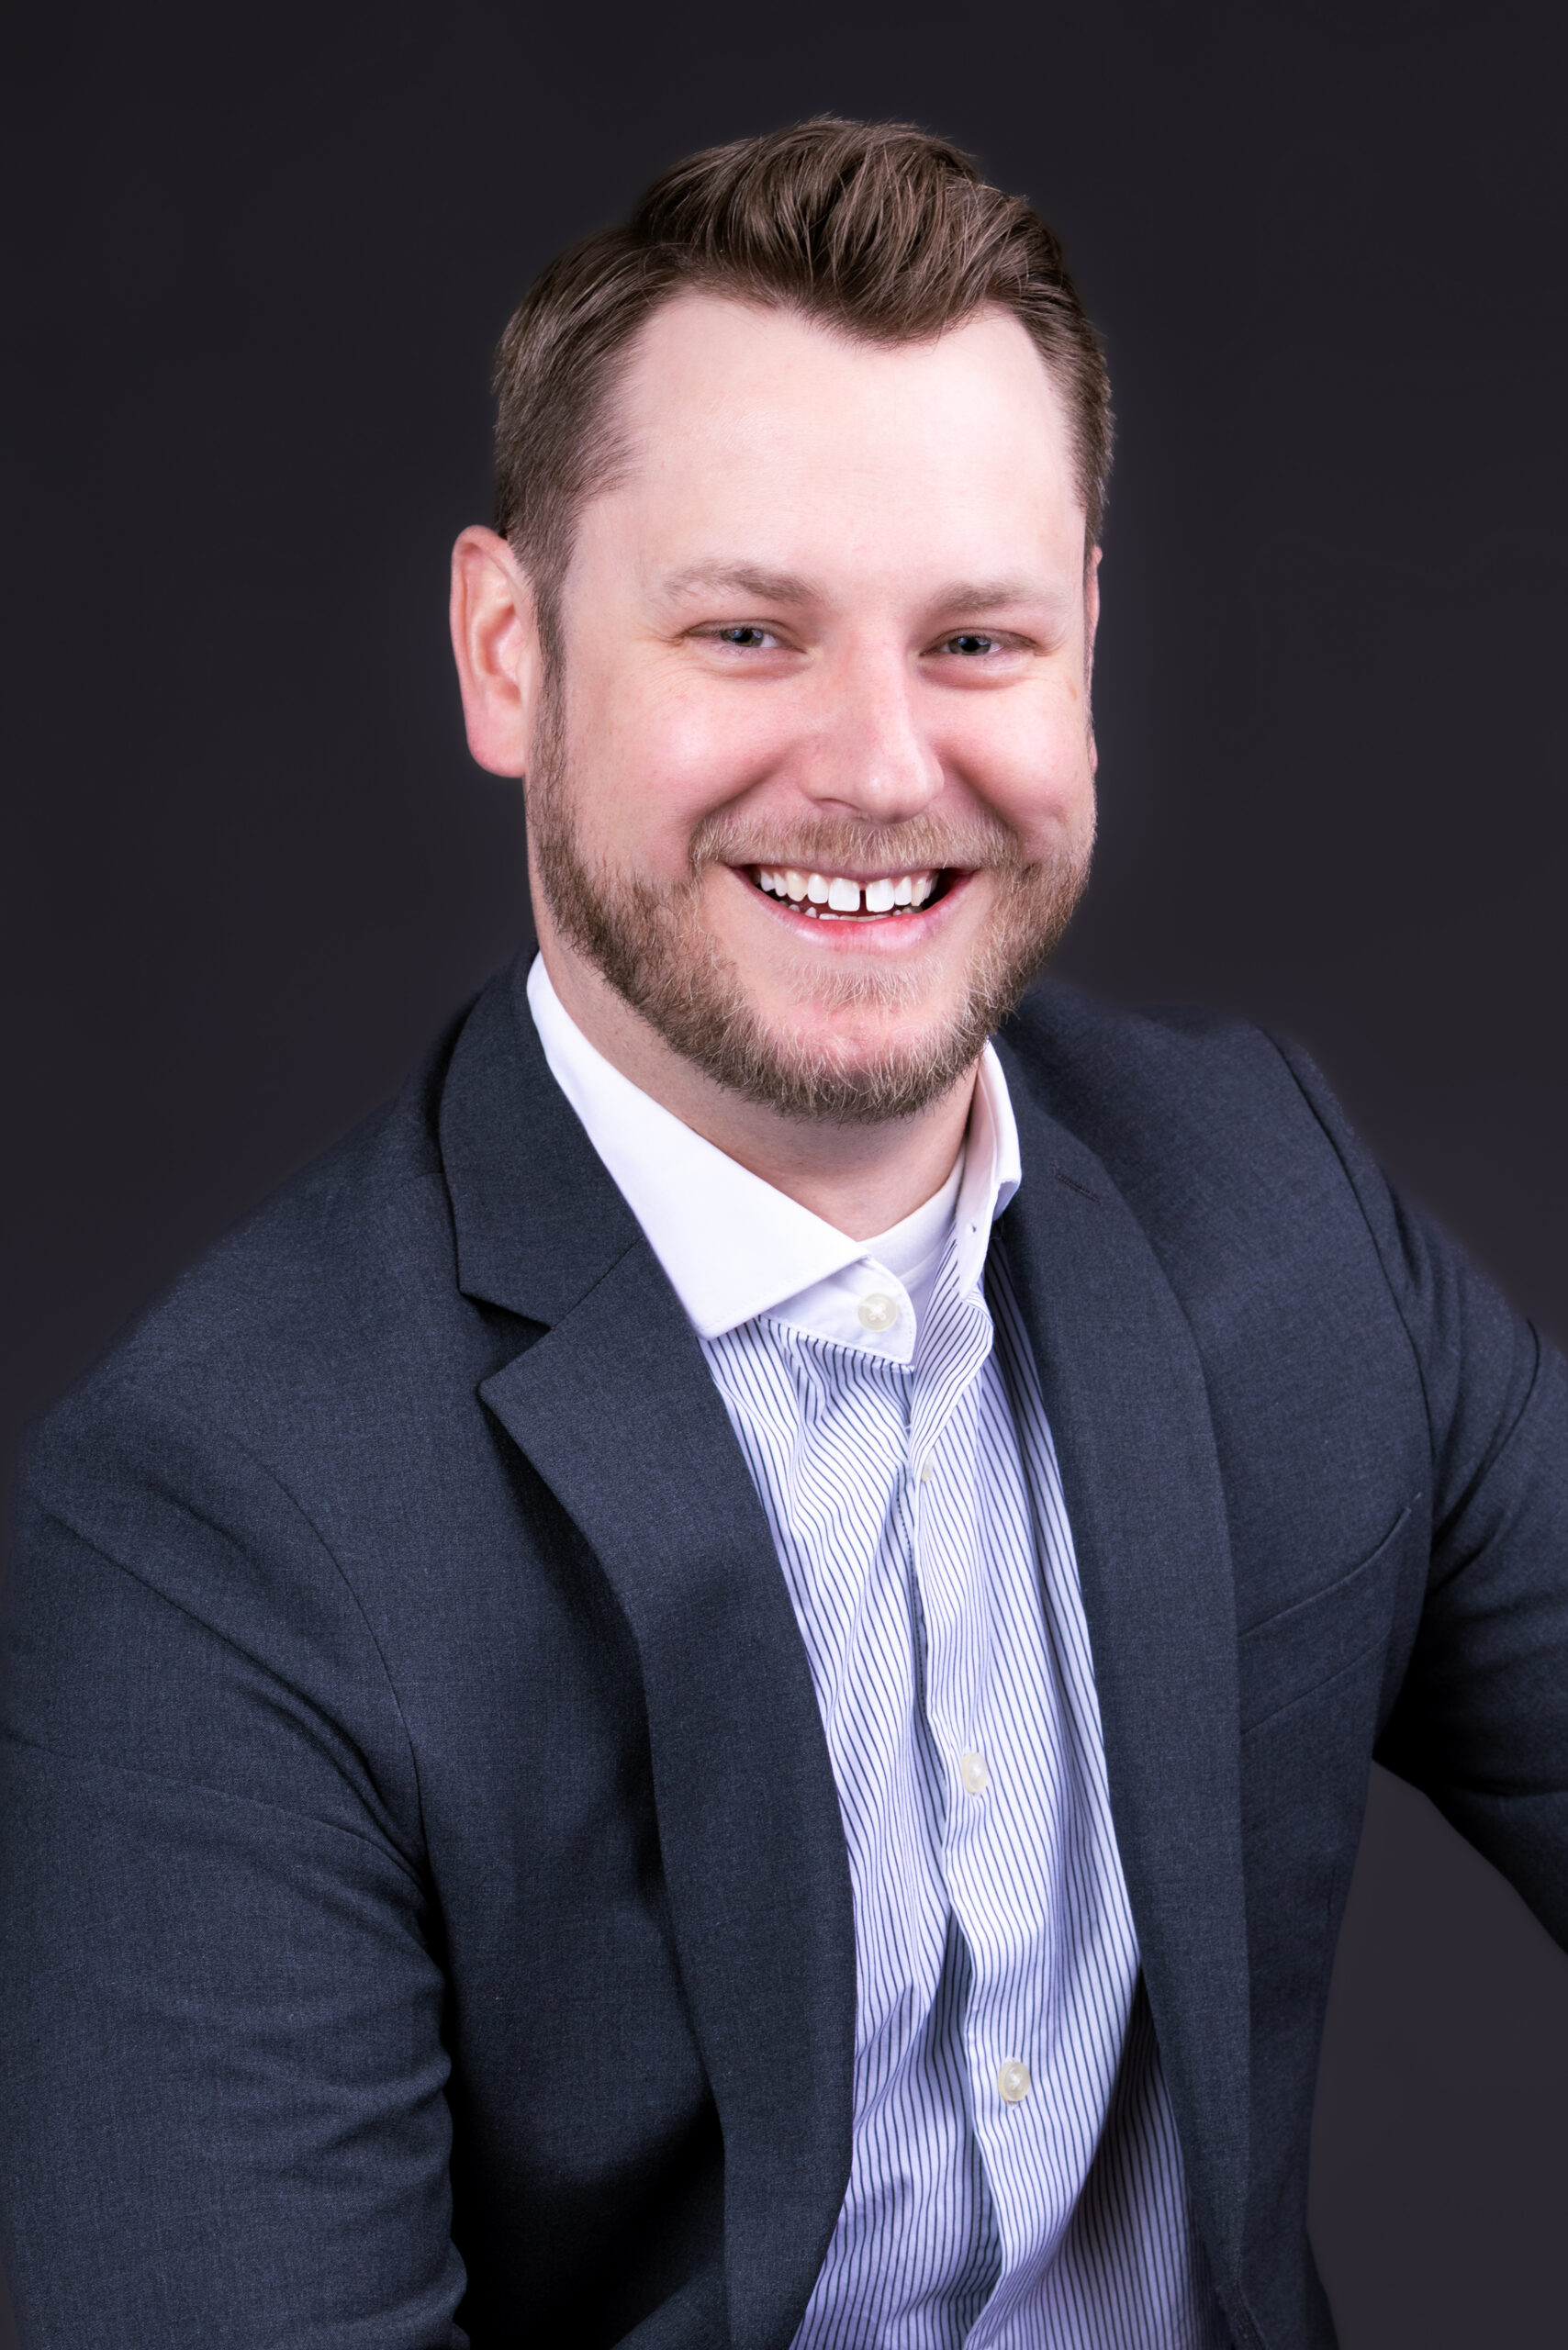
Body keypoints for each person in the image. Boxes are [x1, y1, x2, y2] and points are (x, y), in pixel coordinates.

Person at [1, 115, 1563, 2350]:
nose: (876, 759)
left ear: (1086, 648)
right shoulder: (217, 1527)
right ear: (507, 651)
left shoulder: (1274, 1200)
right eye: (747, 629)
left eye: (974, 638)